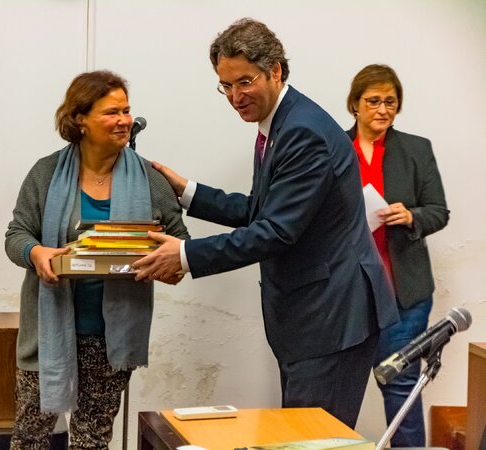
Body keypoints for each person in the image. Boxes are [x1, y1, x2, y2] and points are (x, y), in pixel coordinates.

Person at [132, 18, 398, 428]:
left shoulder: (302, 132)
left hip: (331, 319)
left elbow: (275, 231)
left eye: (245, 82)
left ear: (274, 70)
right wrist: (188, 192)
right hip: (313, 318)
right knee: (300, 434)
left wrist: (184, 255)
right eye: (226, 85)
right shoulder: (281, 123)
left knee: (313, 439)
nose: (235, 97)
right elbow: (264, 210)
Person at [5, 70, 189, 450]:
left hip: (110, 339)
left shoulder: (150, 179)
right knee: (30, 438)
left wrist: (169, 265)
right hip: (48, 332)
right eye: (111, 112)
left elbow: (179, 242)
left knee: (92, 441)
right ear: (80, 119)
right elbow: (16, 235)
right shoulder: (46, 173)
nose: (123, 120)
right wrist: (36, 253)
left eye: (126, 111)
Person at [346, 64, 449, 446]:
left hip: (404, 294)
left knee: (401, 386)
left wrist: (411, 216)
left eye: (390, 101)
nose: (383, 109)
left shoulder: (416, 150)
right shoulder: (334, 149)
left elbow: (439, 211)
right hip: (348, 293)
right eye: (373, 101)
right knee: (338, 390)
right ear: (355, 104)